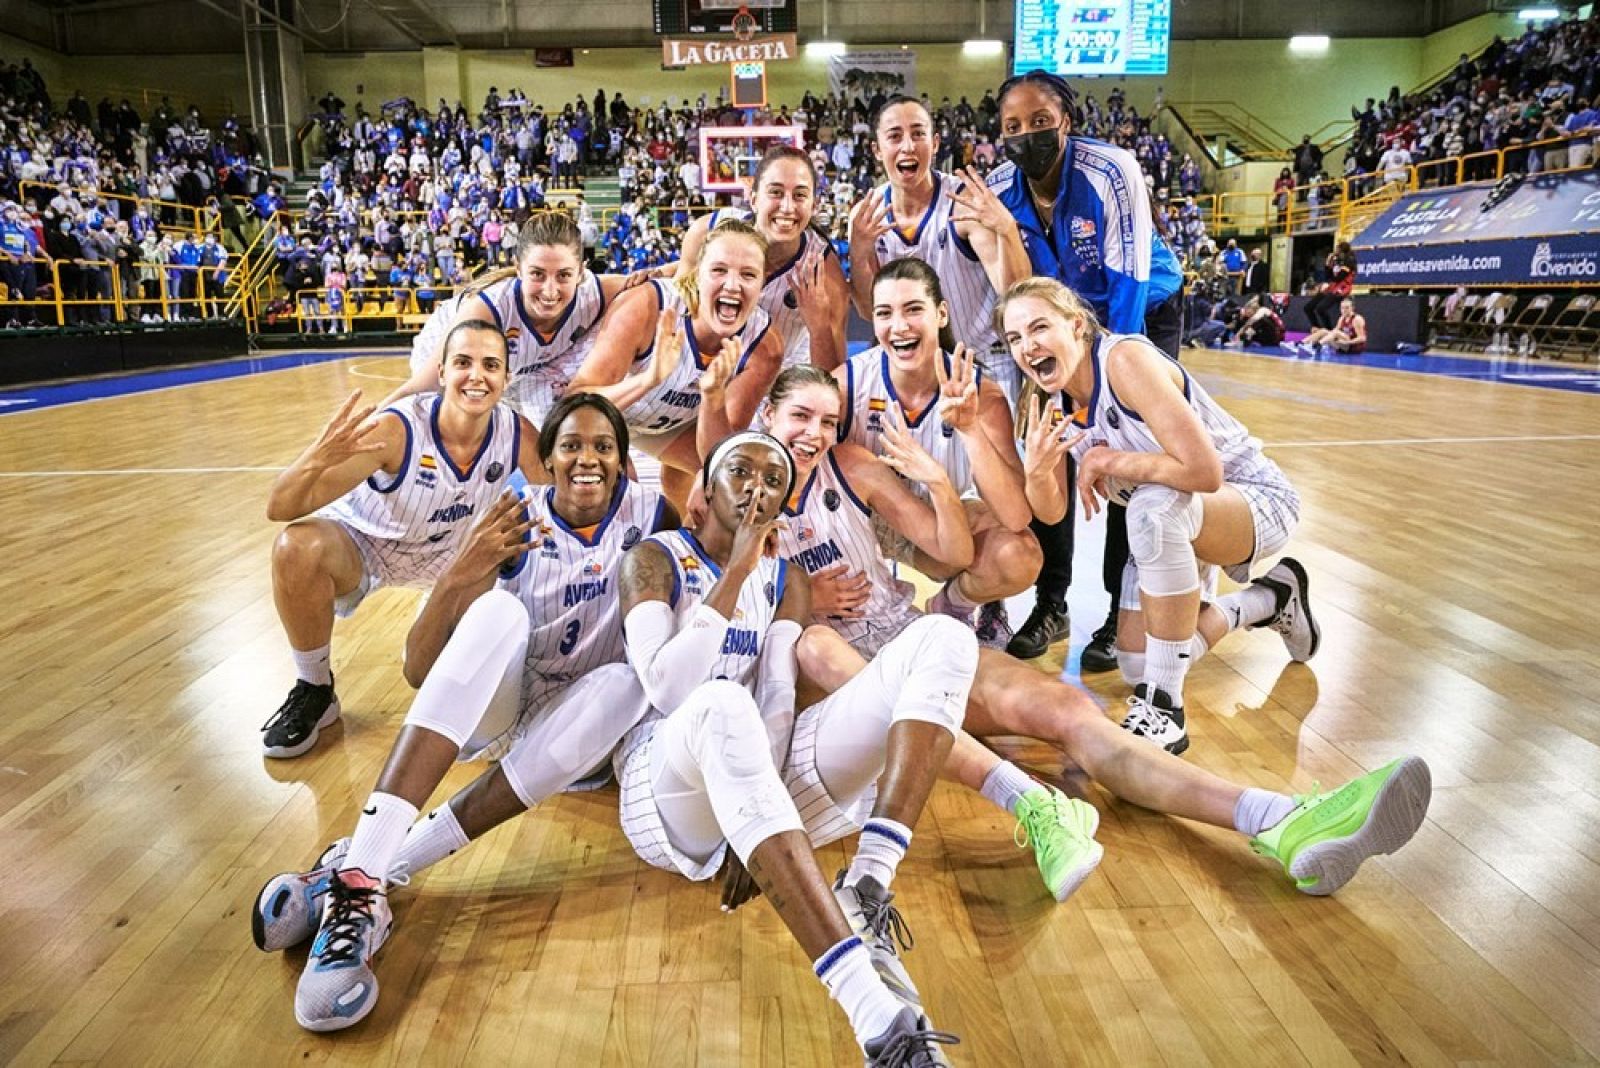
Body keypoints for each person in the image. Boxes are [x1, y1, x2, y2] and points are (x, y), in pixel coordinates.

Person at [254, 394, 675, 1032]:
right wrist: (461, 572)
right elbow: (419, 670)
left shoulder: (655, 514)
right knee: (499, 612)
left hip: (586, 729)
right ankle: (367, 872)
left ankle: (361, 875)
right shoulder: (510, 518)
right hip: (503, 716)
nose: (587, 458)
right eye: (570, 445)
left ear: (623, 463)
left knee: (624, 681)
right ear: (546, 459)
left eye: (603, 447)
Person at [611, 430, 970, 1063]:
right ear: (709, 487)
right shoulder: (655, 557)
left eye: (773, 480)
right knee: (721, 702)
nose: (757, 487)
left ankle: (867, 880)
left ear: (785, 501)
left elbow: (779, 695)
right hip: (664, 786)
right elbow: (668, 689)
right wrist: (738, 569)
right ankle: (877, 1020)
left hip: (758, 781)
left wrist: (759, 812)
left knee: (943, 637)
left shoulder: (786, 578)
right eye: (742, 472)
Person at [1002, 275, 1315, 751]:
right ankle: (1270, 599)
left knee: (1148, 510)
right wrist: (1037, 473)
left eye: (1039, 328)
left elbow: (1205, 471)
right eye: (1015, 338)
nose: (1028, 346)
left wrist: (1110, 460)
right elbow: (1053, 512)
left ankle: (1165, 706)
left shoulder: (1125, 359)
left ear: (1077, 325)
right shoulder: (1043, 398)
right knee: (1135, 664)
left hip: (1251, 498)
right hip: (1176, 520)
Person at [260, 321, 540, 758]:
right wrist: (314, 459)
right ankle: (314, 688)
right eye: (463, 362)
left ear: (506, 378)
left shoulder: (516, 432)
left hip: (452, 556)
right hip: (365, 545)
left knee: (428, 673)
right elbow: (280, 507)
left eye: (491, 365)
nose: (477, 375)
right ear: (442, 372)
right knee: (296, 547)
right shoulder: (396, 428)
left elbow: (560, 502)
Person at [987, 71, 1186, 672]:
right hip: (1054, 328)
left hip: (1137, 314)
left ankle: (1115, 612)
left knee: (1126, 451)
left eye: (1040, 121)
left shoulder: (1111, 170)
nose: (1027, 135)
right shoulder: (1000, 187)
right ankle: (1052, 603)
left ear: (1066, 122)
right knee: (1049, 454)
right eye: (1013, 127)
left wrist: (1114, 378)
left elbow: (1126, 282)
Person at [846, 93, 1035, 649]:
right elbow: (868, 306)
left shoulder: (962, 202)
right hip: (911, 358)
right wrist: (859, 246)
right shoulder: (870, 214)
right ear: (878, 148)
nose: (908, 144)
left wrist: (1005, 232)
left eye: (918, 132)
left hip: (982, 351)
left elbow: (1016, 290)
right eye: (895, 135)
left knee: (1017, 510)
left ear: (934, 140)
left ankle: (981, 602)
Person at [837, 257, 1039, 648]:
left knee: (1019, 555)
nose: (899, 326)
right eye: (884, 313)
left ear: (941, 314)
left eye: (914, 309)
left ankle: (949, 606)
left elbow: (1015, 516)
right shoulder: (847, 385)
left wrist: (970, 428)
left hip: (938, 522)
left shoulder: (983, 394)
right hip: (860, 525)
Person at [568, 218, 784, 505]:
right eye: (719, 270)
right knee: (618, 489)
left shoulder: (764, 347)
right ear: (697, 274)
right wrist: (649, 378)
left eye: (748, 275)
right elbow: (574, 402)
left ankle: (684, 537)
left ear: (763, 281)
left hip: (662, 424)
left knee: (729, 477)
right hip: (603, 409)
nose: (732, 285)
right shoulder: (647, 305)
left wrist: (712, 396)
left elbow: (716, 455)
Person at [385, 213, 641, 425]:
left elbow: (668, 274)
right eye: (537, 274)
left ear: (581, 272)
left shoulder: (596, 293)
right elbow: (420, 388)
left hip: (530, 369)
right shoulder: (487, 310)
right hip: (448, 349)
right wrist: (369, 423)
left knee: (567, 435)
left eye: (563, 275)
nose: (550, 291)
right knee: (450, 433)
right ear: (518, 268)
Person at [674, 145, 850, 371]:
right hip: (701, 371)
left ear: (814, 205)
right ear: (753, 198)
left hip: (774, 384)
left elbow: (833, 377)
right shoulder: (705, 232)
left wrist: (819, 328)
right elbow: (676, 313)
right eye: (776, 192)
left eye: (799, 195)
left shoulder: (825, 272)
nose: (787, 207)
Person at [1302, 242, 1357, 333]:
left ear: (1341, 250)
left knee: (1320, 308)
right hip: (1332, 286)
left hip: (1342, 288)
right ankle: (1317, 328)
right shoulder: (1336, 260)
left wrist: (1328, 282)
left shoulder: (1349, 261)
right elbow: (1328, 276)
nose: (1335, 251)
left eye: (1337, 249)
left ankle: (1329, 331)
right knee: (1308, 307)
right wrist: (1328, 263)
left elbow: (1339, 277)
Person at [1294, 297, 1367, 354]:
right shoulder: (1342, 318)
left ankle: (1316, 346)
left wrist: (1347, 342)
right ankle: (1299, 344)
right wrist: (1319, 332)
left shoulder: (1357, 319)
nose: (1344, 310)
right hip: (1342, 346)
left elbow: (1362, 338)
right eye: (1342, 308)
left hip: (1353, 347)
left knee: (1335, 332)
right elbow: (1332, 333)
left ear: (1352, 308)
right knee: (1323, 331)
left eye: (1347, 308)